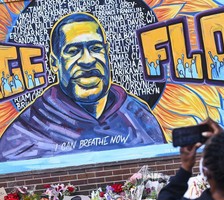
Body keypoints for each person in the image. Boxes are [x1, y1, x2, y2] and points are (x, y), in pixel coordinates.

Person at [0, 12, 166, 161]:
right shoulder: (25, 133)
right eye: (73, 51)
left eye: (95, 48)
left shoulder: (138, 115)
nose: (88, 61)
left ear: (107, 53)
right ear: (54, 62)